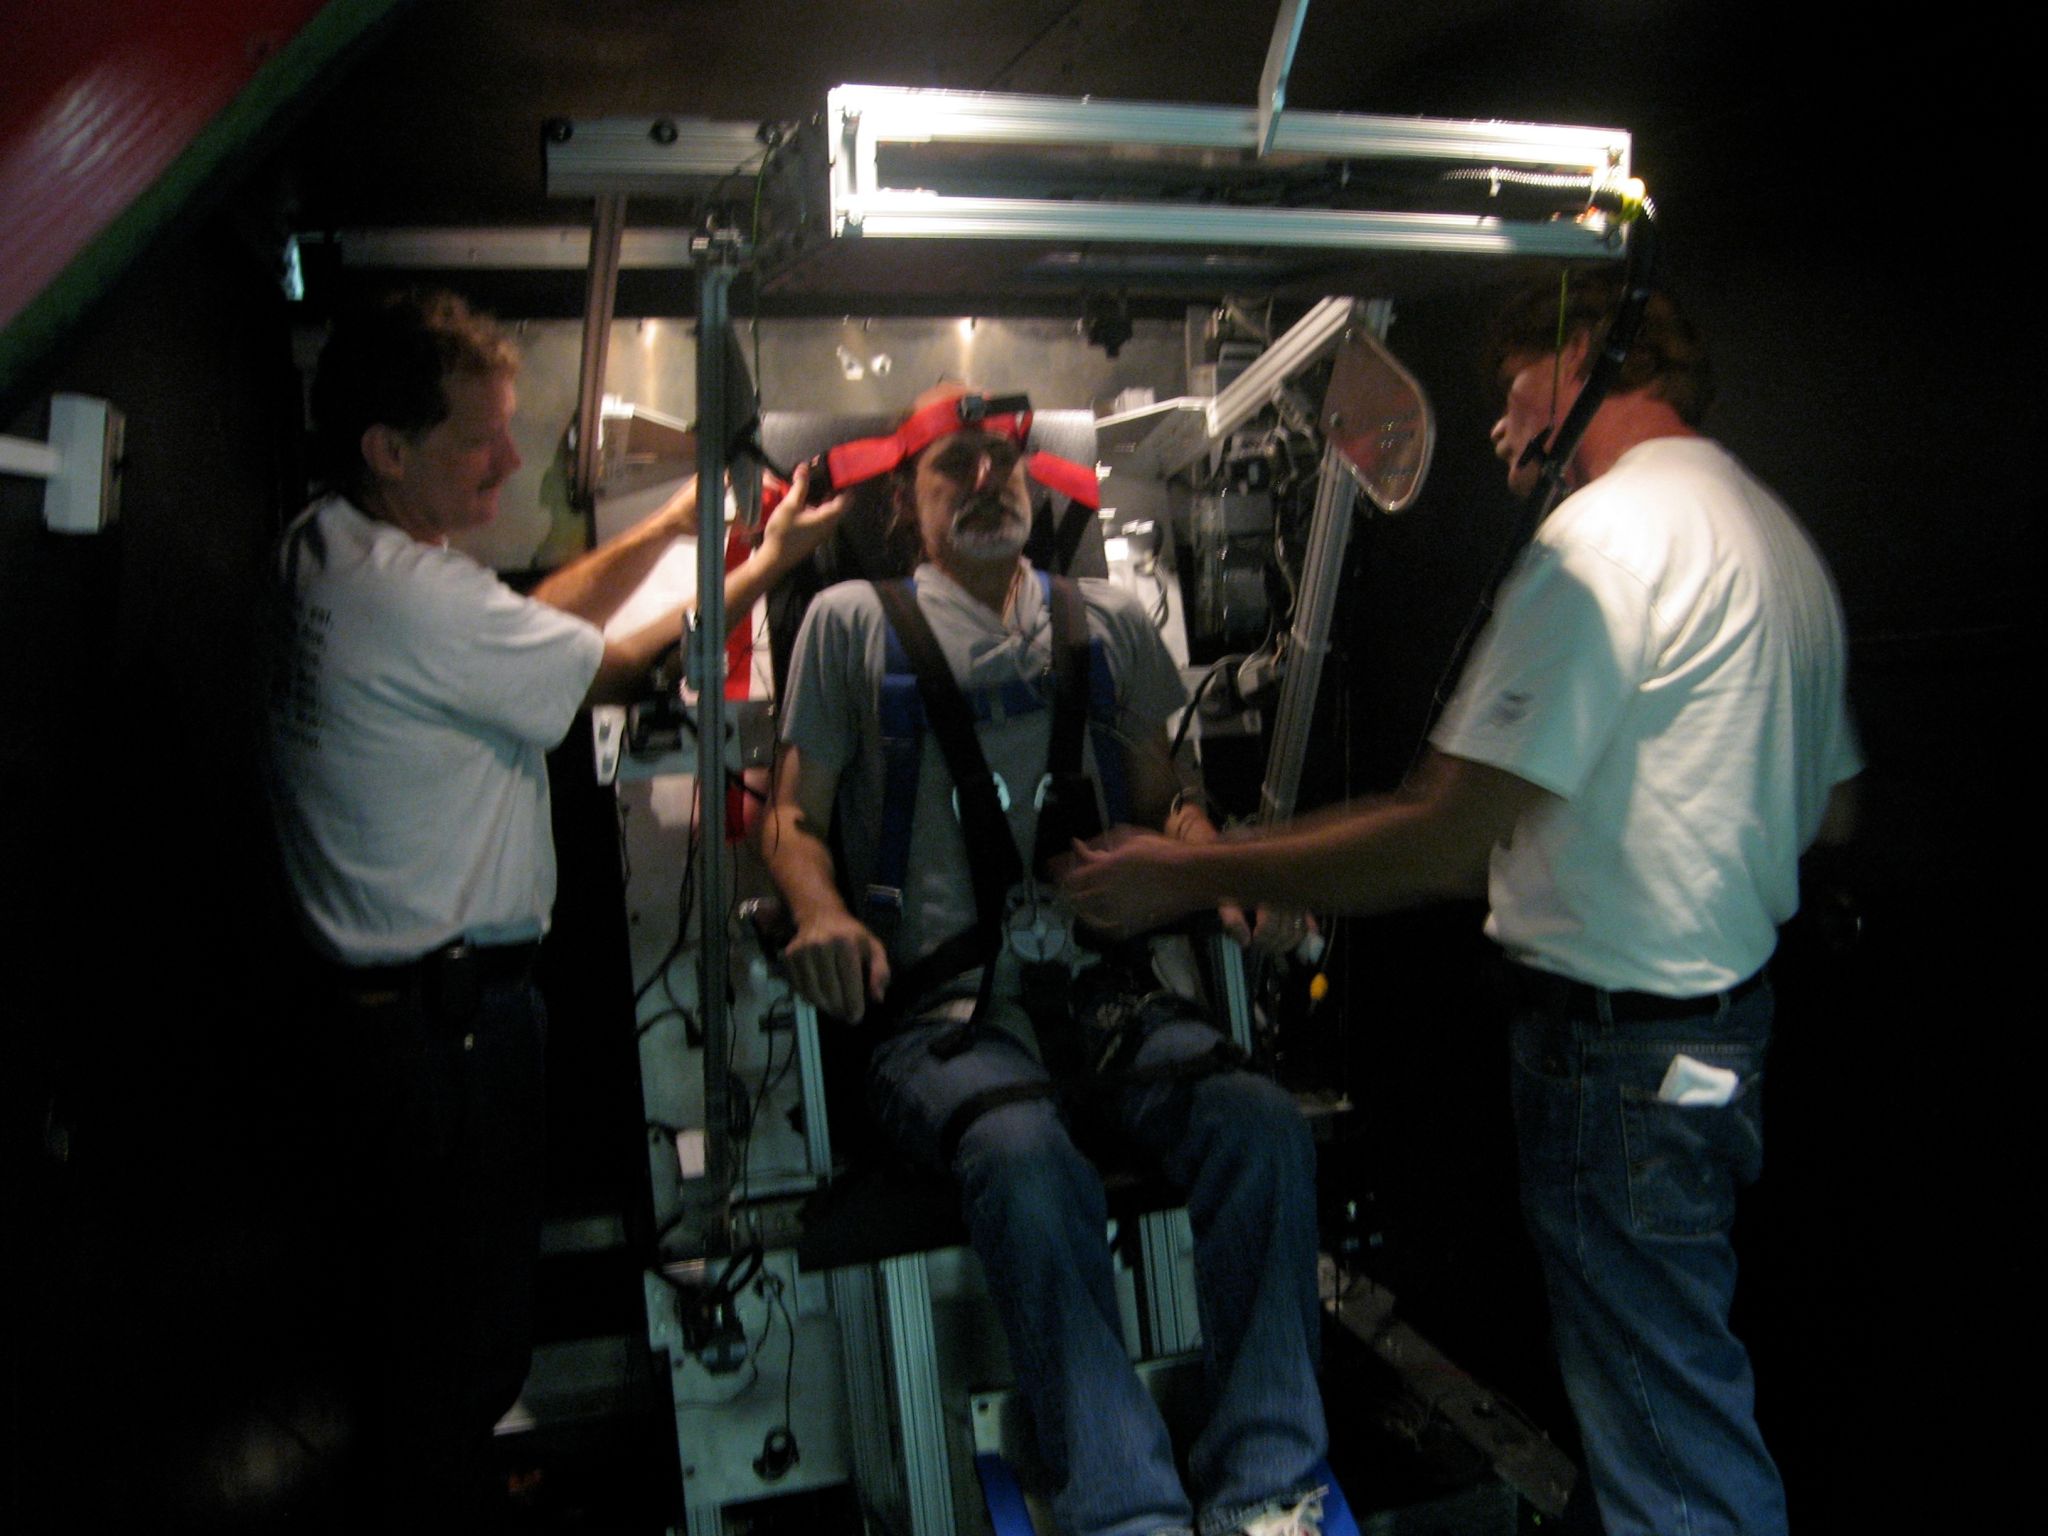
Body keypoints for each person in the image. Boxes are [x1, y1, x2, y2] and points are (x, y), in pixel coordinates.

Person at [1062, 276, 1860, 1536]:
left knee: (1673, 1448)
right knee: (1658, 1400)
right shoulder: (1769, 537)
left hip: (1619, 1065)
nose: (1494, 427)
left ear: (1584, 357)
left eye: (1508, 390)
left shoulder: (1601, 545)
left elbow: (1438, 835)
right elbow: (1830, 813)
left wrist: (1191, 871)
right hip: (1721, 1051)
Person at [265, 289, 842, 1526]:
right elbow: (614, 668)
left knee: (429, 1342)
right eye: (482, 437)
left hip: (393, 1024)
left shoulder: (327, 546)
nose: (513, 461)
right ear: (389, 448)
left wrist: (682, 517)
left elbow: (527, 628)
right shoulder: (406, 598)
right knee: (459, 1346)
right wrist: (768, 565)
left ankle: (445, 1477)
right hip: (442, 1036)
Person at [761, 384, 1329, 1536]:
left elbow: (1171, 802)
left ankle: (1267, 1483)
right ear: (905, 511)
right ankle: (1126, 1509)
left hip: (1105, 995)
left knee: (1260, 1124)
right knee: (1026, 1160)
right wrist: (818, 913)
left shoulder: (1109, 623)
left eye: (1004, 461)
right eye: (953, 466)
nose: (986, 480)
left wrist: (1209, 865)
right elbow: (790, 822)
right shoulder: (850, 627)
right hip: (937, 1019)